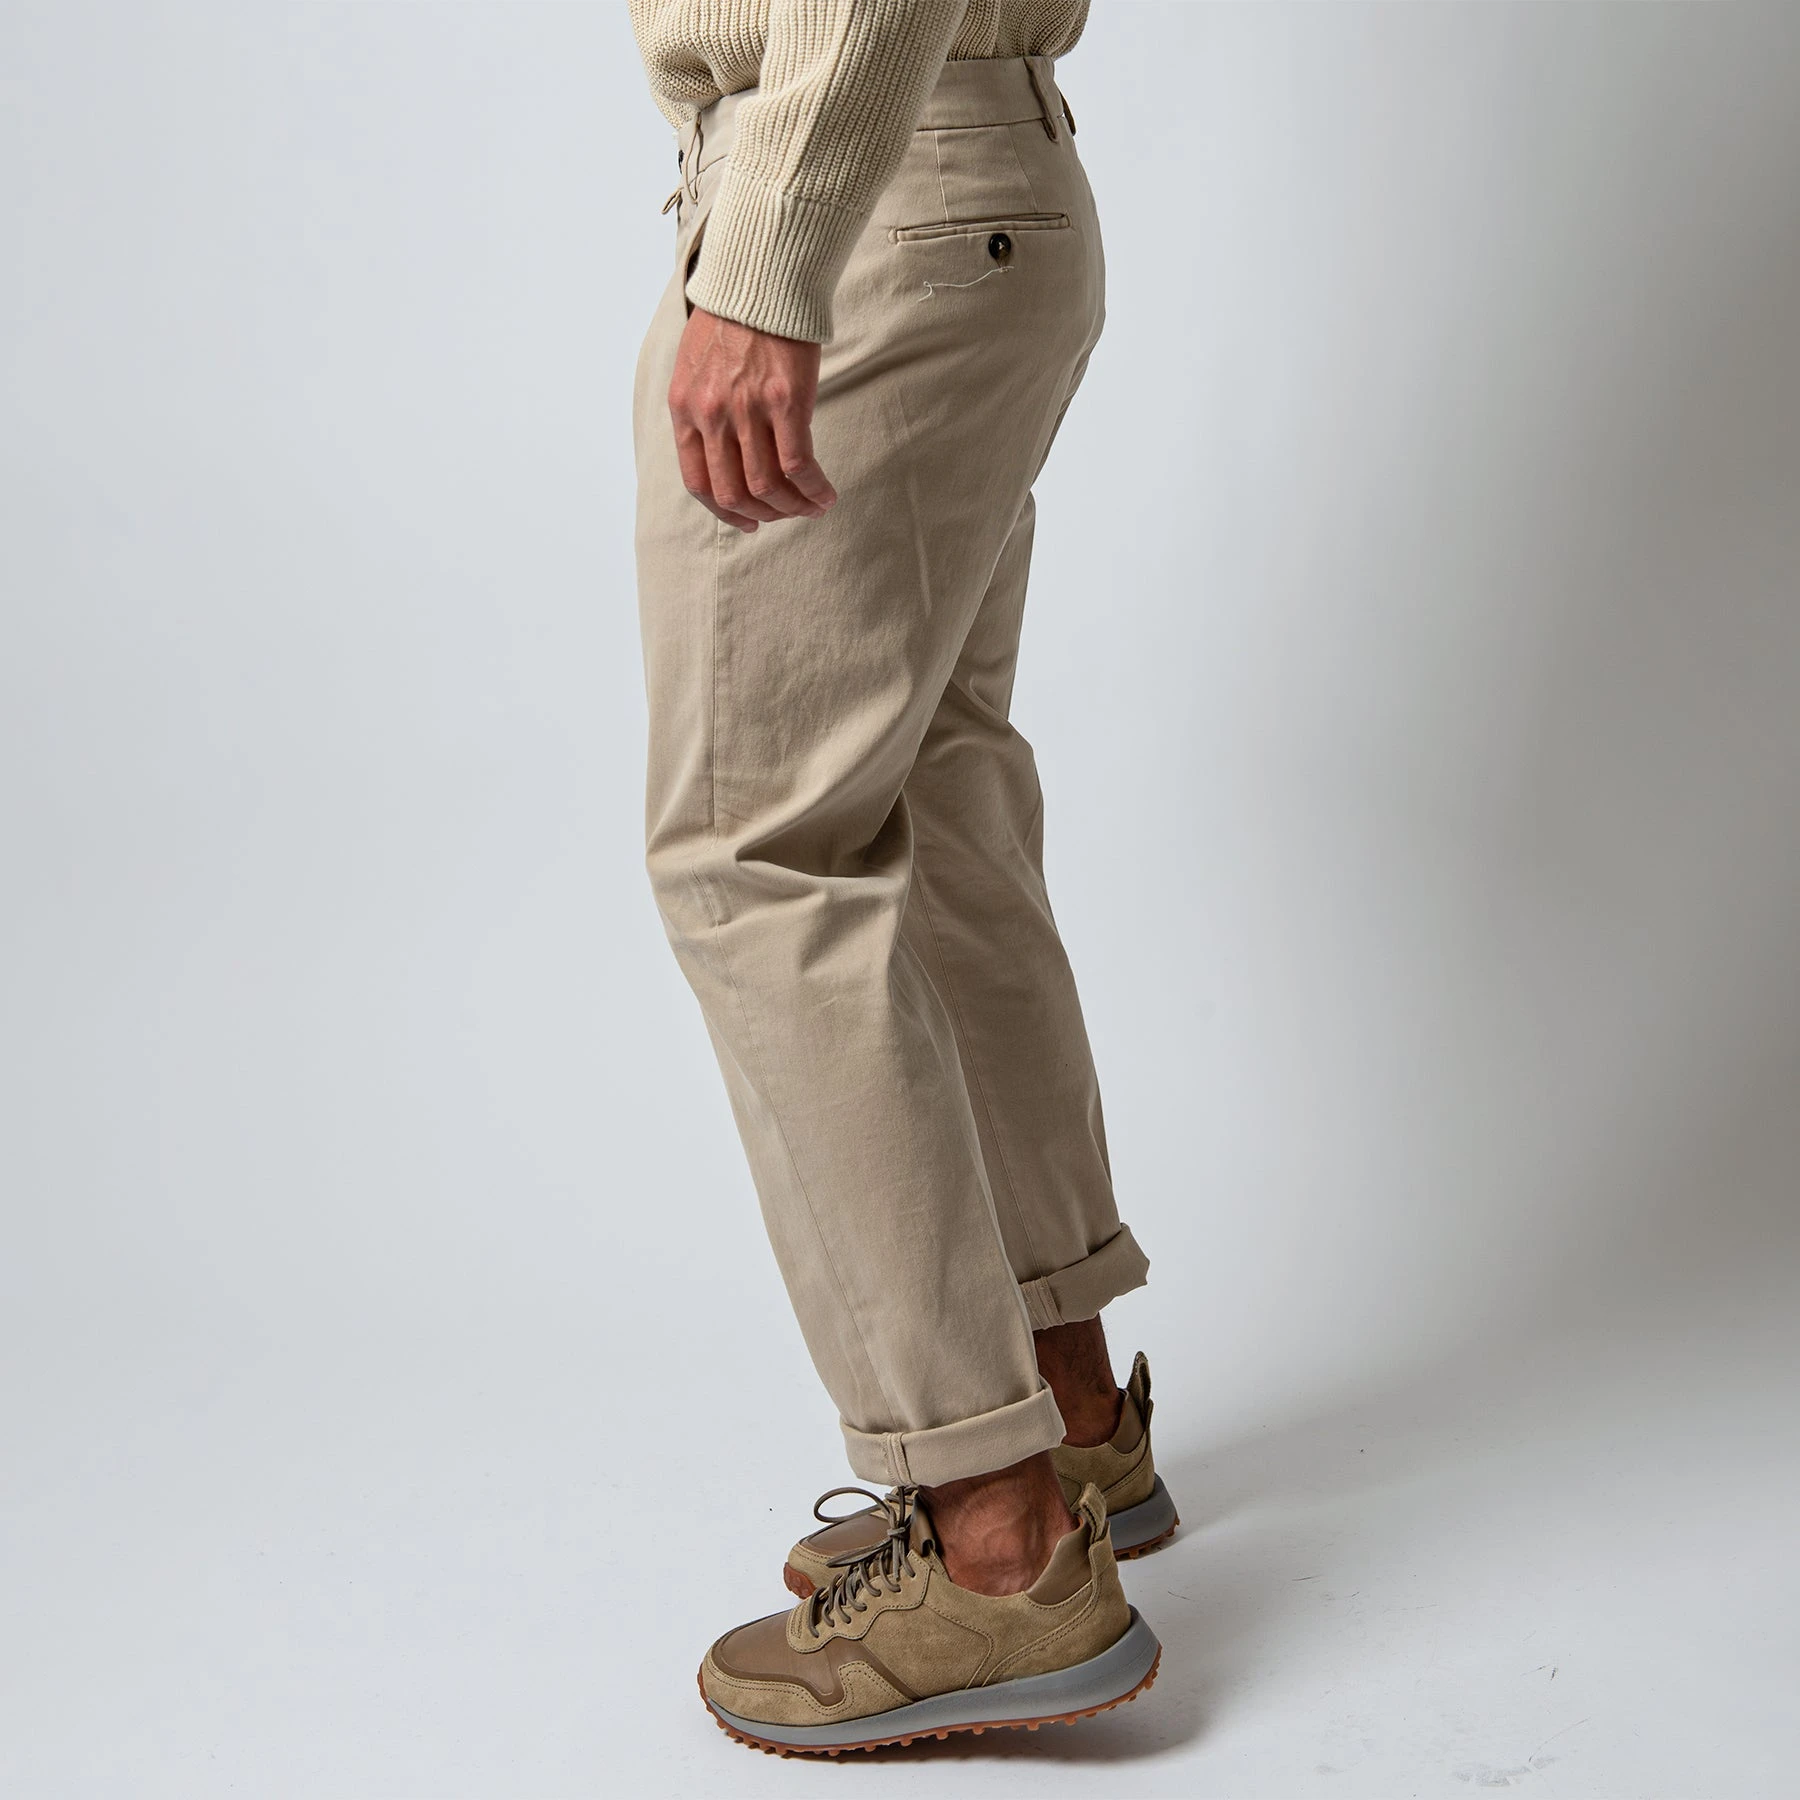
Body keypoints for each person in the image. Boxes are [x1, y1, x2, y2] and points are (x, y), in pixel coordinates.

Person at [630, 1, 1176, 1754]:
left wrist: (766, 257)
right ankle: (1062, 1407)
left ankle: (995, 1541)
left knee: (759, 852)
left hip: (861, 194)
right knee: (931, 795)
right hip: (978, 179)